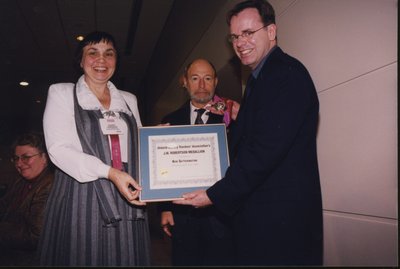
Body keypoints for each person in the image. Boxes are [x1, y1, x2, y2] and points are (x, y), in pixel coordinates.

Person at [174, 0, 323, 266]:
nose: (240, 42)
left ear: (271, 31)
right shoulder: (260, 80)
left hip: (280, 224)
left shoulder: (285, 75)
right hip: (265, 219)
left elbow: (263, 153)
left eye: (248, 33)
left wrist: (213, 195)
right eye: (234, 36)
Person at [38, 31, 151, 266]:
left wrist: (159, 142)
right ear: (80, 61)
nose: (102, 60)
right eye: (93, 53)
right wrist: (109, 172)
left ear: (116, 62)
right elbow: (59, 149)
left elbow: (140, 144)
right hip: (81, 193)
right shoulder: (61, 93)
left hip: (126, 191)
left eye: (109, 54)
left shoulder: (129, 99)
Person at [158, 58, 235, 266]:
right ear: (185, 82)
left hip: (222, 214)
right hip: (183, 216)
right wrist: (165, 207)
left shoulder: (233, 117)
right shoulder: (170, 120)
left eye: (207, 78)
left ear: (216, 82)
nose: (201, 85)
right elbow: (164, 168)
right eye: (195, 78)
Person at [0, 133, 54, 266]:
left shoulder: (48, 186)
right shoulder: (20, 181)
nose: (19, 163)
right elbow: (4, 206)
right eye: (16, 158)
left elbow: (35, 236)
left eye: (26, 157)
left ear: (45, 158)